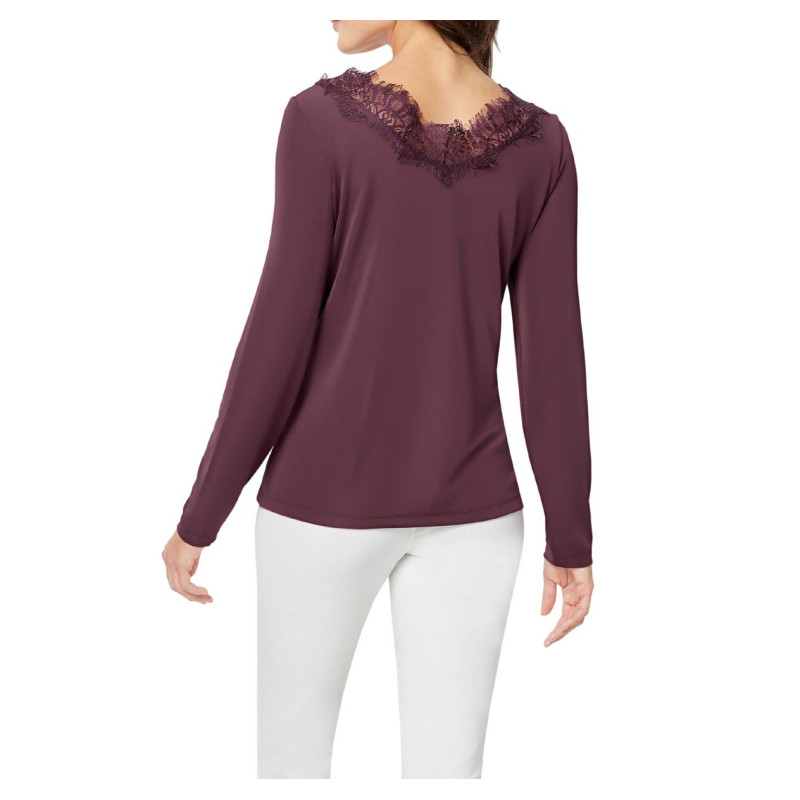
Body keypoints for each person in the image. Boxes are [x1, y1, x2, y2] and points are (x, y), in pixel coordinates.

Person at [163, 20, 595, 779]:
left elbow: (278, 334)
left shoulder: (319, 121)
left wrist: (202, 513)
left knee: (291, 766)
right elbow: (554, 358)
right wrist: (571, 535)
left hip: (320, 508)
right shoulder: (543, 146)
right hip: (476, 519)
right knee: (448, 775)